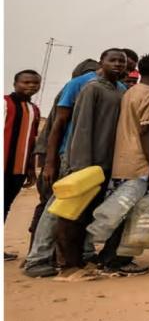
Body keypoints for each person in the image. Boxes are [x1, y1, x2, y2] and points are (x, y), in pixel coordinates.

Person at [53, 48, 128, 278]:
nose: (117, 64)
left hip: (106, 164)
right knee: (72, 215)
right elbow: (82, 127)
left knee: (88, 215)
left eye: (121, 61)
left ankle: (80, 261)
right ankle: (67, 265)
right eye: (112, 60)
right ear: (101, 63)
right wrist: (81, 164)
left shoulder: (121, 90)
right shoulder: (91, 88)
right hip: (86, 162)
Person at [23, 59, 97, 278]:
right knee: (56, 205)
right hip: (70, 156)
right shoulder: (78, 86)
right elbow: (57, 125)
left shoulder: (111, 87)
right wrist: (50, 161)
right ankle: (38, 257)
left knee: (83, 208)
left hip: (91, 158)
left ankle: (79, 252)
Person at [104, 54, 149, 276]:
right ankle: (118, 261)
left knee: (120, 212)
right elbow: (146, 132)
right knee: (132, 216)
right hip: (139, 162)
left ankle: (109, 257)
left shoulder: (129, 92)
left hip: (121, 160)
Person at [4, 70, 41, 260]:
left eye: (35, 83)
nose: (30, 86)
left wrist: (30, 169)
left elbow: (32, 141)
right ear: (15, 83)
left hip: (17, 169)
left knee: (5, 206)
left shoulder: (34, 110)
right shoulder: (4, 104)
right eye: (26, 82)